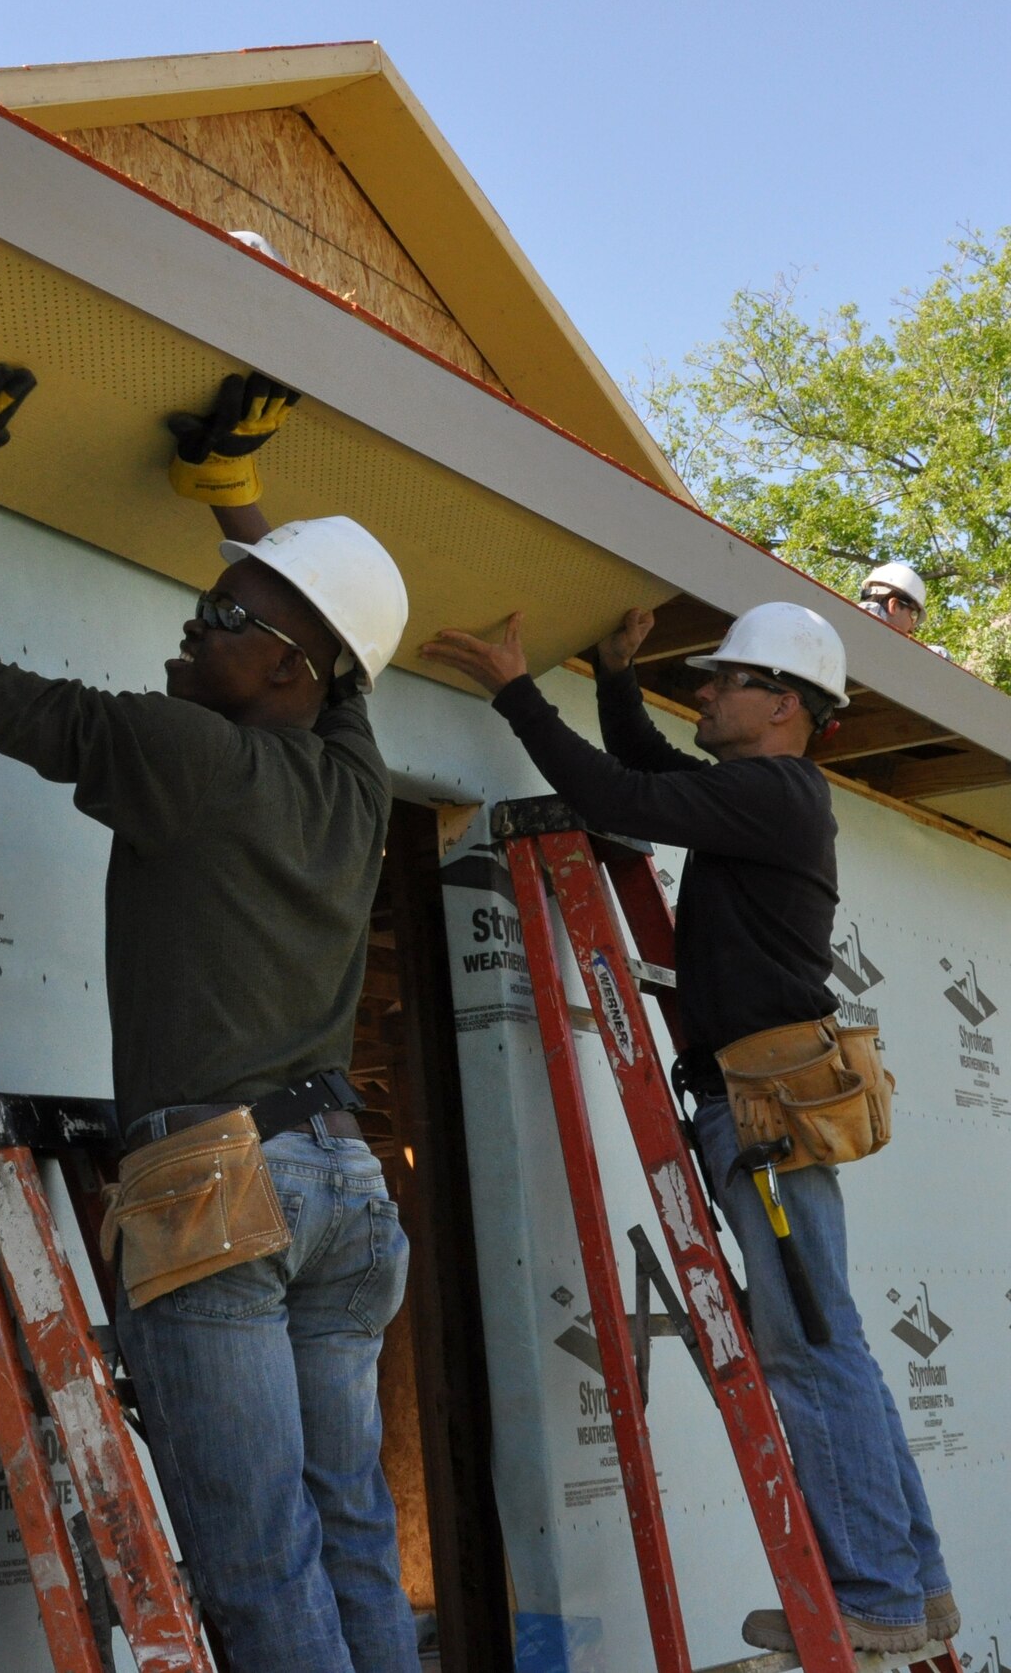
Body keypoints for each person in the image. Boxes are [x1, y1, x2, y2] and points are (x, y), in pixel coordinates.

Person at [0, 365, 419, 1670]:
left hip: (221, 1186)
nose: (189, 626)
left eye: (219, 617)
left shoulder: (186, 751)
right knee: (348, 1522)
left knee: (258, 1556)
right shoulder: (356, 767)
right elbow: (332, 644)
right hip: (345, 1189)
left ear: (286, 667)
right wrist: (232, 501)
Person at [421, 602, 958, 1656]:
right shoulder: (767, 793)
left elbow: (617, 794)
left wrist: (514, 687)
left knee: (807, 1347)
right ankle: (913, 1587)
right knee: (827, 1339)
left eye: (724, 680)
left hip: (759, 1113)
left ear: (781, 705)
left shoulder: (773, 792)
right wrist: (615, 676)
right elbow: (654, 771)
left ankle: (878, 1596)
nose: (703, 691)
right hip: (767, 1105)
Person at [858, 562, 929, 638]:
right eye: (914, 616)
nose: (912, 629)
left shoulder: (850, 621)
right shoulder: (879, 643)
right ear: (893, 606)